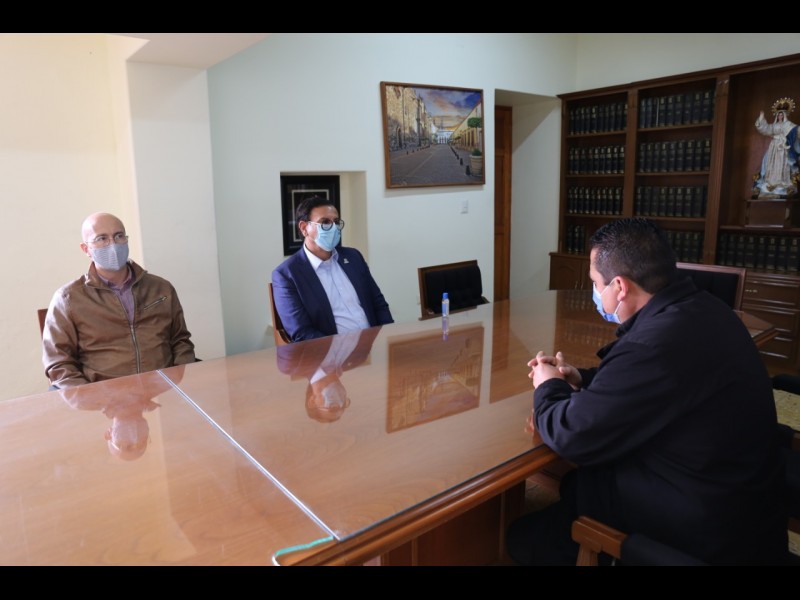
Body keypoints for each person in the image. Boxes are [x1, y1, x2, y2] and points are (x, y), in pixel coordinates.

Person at [506, 217, 788, 565]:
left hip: (703, 522)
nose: (594, 291)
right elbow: (653, 384)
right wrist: (582, 378)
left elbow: (572, 434)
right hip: (744, 496)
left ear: (620, 287)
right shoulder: (706, 309)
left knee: (521, 538)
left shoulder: (653, 344)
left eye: (595, 283)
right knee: (575, 486)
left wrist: (547, 383)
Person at [42, 212, 196, 389]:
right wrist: (92, 397)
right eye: (102, 239)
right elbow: (59, 364)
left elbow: (180, 341)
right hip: (104, 397)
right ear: (86, 249)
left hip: (163, 391)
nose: (113, 244)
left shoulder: (161, 288)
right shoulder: (68, 299)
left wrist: (179, 382)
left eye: (119, 236)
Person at [271, 196, 393, 342]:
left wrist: (386, 338)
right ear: (304, 228)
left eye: (336, 222)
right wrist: (340, 351)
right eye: (325, 222)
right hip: (330, 353)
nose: (333, 228)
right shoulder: (286, 275)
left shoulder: (353, 257)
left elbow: (379, 304)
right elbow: (301, 332)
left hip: (374, 345)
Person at [277, 326, 380, 422]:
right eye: (343, 405)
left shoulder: (291, 363)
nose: (340, 402)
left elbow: (298, 329)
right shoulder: (358, 358)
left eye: (333, 408)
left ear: (312, 401)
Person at [753, 97, 798, 198]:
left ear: (785, 115)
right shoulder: (774, 125)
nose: (780, 116)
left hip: (783, 146)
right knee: (769, 162)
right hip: (774, 147)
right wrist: (761, 118)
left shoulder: (787, 124)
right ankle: (771, 183)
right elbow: (766, 129)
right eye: (778, 114)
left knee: (784, 163)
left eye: (782, 114)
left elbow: (795, 130)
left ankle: (783, 183)